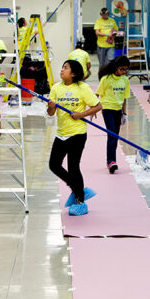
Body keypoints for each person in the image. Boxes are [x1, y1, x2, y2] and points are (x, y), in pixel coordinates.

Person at [47, 60, 102, 216]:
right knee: (53, 165)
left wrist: (81, 115)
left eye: (66, 68)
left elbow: (98, 106)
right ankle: (78, 188)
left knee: (73, 167)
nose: (62, 70)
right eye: (62, 67)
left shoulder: (82, 88)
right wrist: (51, 107)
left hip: (77, 134)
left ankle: (80, 201)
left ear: (74, 73)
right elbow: (51, 113)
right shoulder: (56, 88)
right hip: (61, 133)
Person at [95, 56, 130, 174]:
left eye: (126, 69)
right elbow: (97, 94)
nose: (124, 72)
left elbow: (125, 98)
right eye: (122, 69)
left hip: (118, 110)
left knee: (116, 136)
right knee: (112, 135)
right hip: (107, 109)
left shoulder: (125, 80)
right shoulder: (106, 79)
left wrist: (124, 113)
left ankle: (112, 161)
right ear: (116, 67)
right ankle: (111, 161)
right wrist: (93, 109)